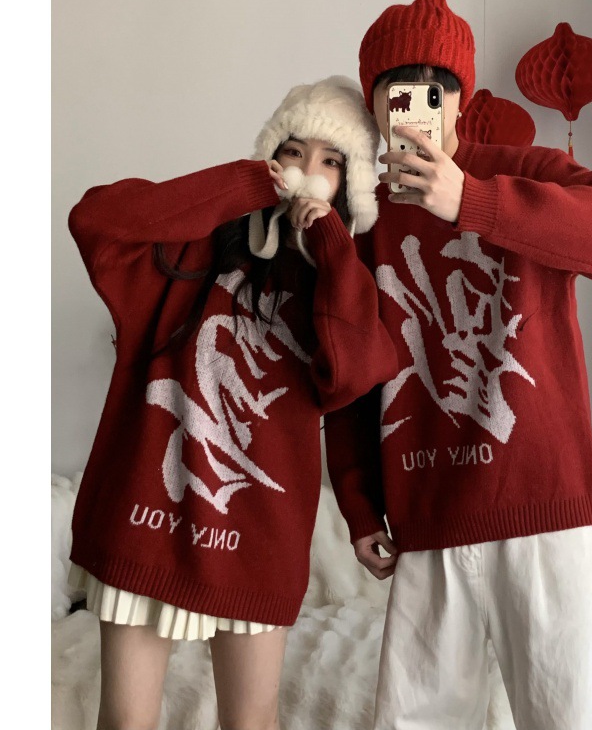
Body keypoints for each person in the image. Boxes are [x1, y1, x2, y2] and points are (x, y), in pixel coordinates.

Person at [324, 0, 592, 730]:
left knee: (571, 718)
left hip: (543, 506)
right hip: (428, 514)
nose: (420, 108)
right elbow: (349, 370)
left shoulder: (522, 172)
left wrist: (473, 201)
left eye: (437, 90)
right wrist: (357, 499)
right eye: (399, 91)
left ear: (460, 100)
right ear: (374, 104)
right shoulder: (364, 217)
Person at [66, 75, 397, 730]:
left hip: (259, 541)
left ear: (350, 186)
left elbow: (356, 375)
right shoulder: (191, 250)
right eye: (293, 151)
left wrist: (333, 248)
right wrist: (244, 185)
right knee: (125, 721)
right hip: (145, 521)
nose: (307, 172)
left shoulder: (339, 287)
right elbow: (95, 219)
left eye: (332, 162)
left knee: (251, 722)